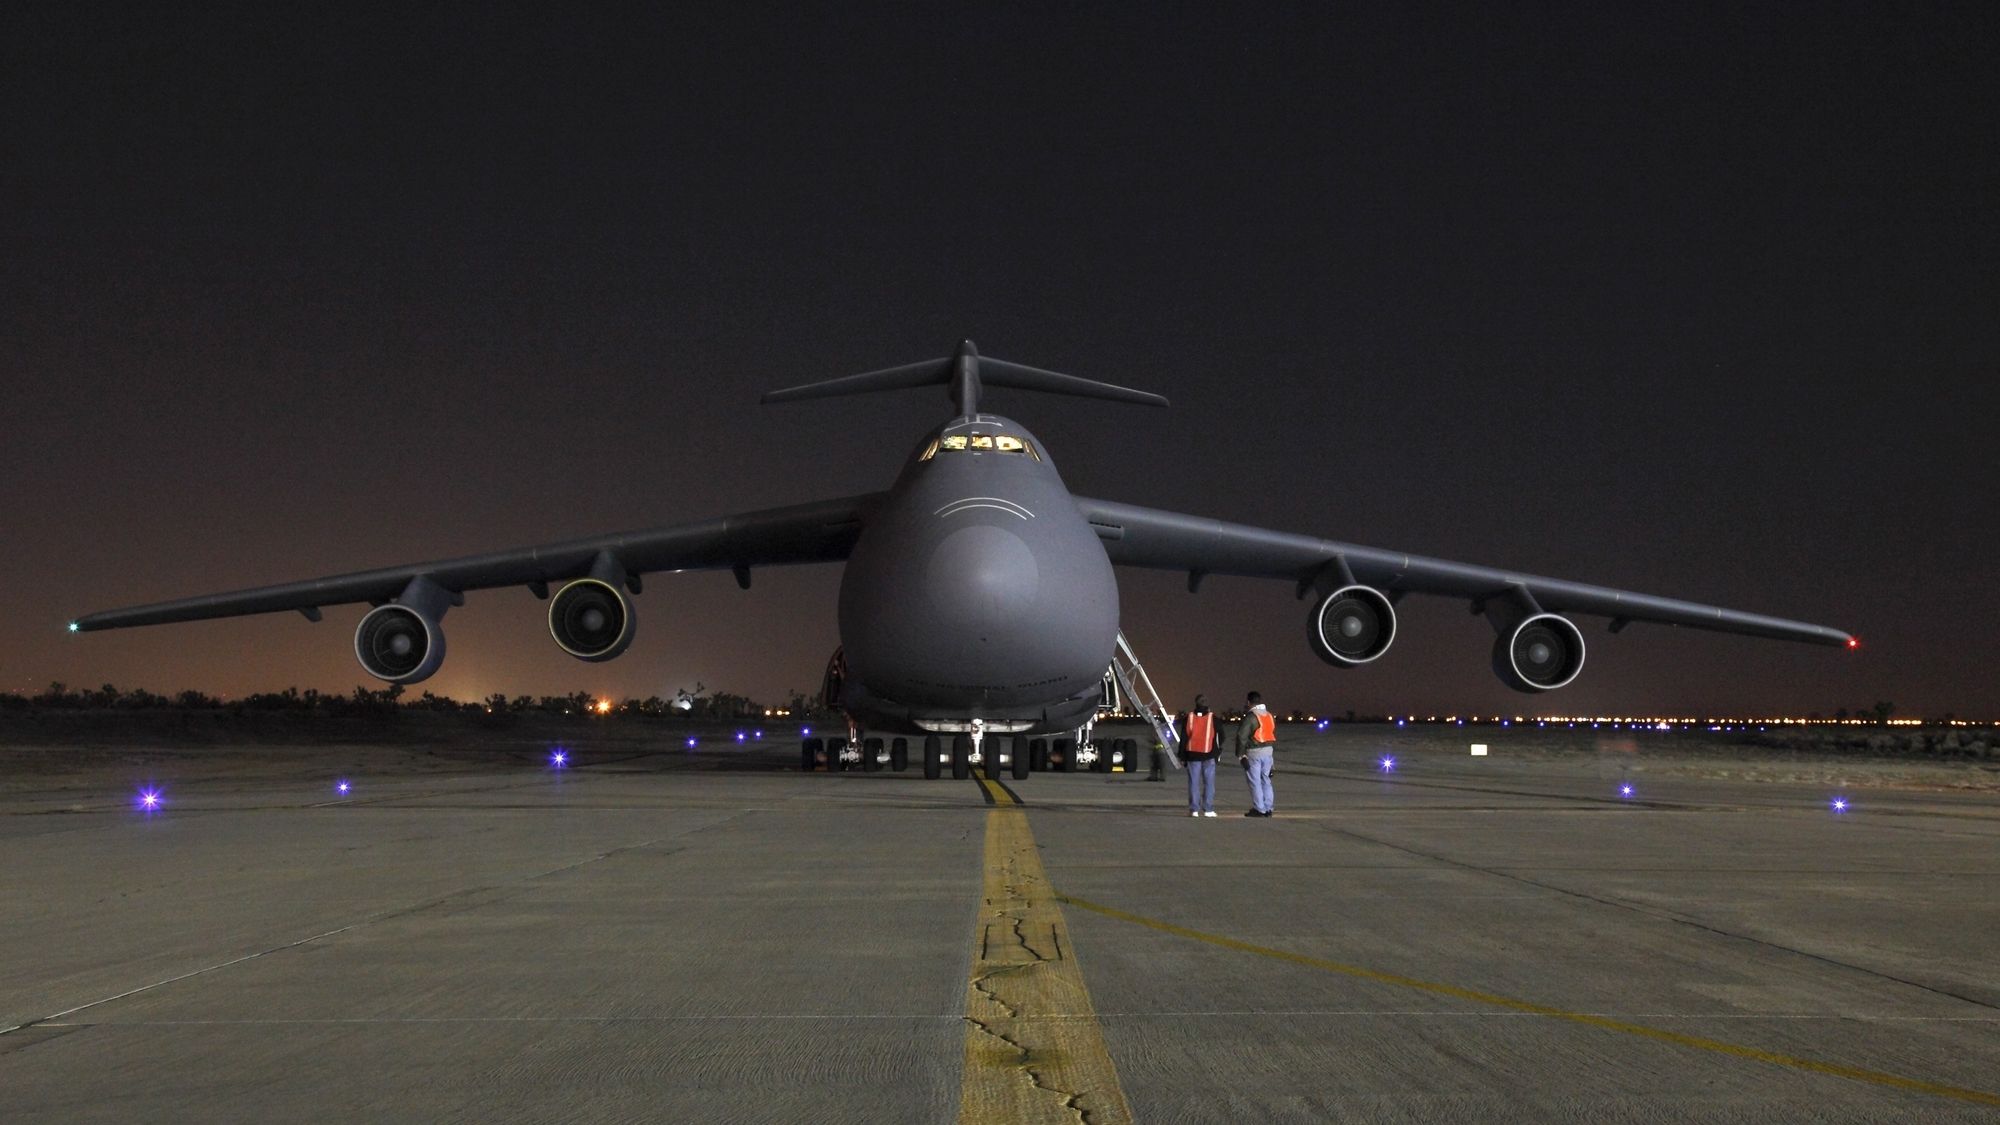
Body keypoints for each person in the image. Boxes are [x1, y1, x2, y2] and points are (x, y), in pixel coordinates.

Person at [1176, 695, 1221, 816]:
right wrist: (1217, 751)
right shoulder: (1213, 718)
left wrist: (1182, 756)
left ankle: (1194, 809)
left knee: (1193, 782)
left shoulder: (1188, 718)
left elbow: (1184, 738)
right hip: (1209, 754)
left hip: (1192, 755)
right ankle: (1208, 809)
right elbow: (1221, 736)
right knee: (1209, 783)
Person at [1235, 690, 1277, 817]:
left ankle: (1259, 808)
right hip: (1268, 752)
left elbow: (1241, 736)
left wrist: (1240, 755)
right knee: (1266, 780)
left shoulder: (1251, 717)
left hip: (1254, 753)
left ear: (1248, 702)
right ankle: (1268, 807)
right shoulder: (1269, 715)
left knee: (1255, 781)